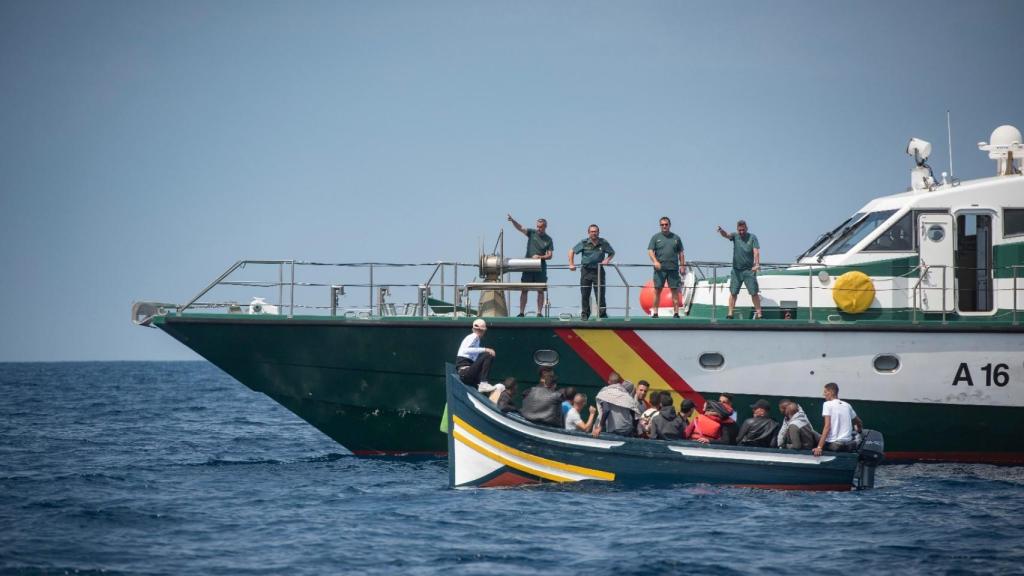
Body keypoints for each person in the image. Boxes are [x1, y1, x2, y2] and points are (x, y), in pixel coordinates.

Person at [508, 214, 553, 317]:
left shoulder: (548, 239)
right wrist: (513, 220)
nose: (538, 228)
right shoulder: (532, 233)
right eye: (537, 226)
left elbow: (550, 256)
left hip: (540, 267)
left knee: (540, 290)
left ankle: (539, 313)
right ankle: (521, 312)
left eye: (541, 227)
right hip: (528, 265)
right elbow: (521, 228)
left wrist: (540, 257)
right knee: (524, 289)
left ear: (545, 227)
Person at [716, 220, 762, 319]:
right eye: (740, 230)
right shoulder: (735, 236)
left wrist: (757, 264)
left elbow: (756, 251)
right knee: (733, 293)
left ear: (747, 228)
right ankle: (730, 313)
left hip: (749, 270)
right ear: (737, 229)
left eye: (743, 230)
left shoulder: (752, 237)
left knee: (754, 293)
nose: (741, 232)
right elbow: (726, 235)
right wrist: (721, 230)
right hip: (736, 270)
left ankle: (759, 314)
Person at [569, 224, 615, 319]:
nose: (594, 233)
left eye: (595, 231)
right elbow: (571, 251)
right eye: (592, 231)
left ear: (598, 232)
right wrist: (571, 264)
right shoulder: (584, 242)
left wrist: (607, 260)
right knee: (585, 293)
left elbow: (612, 252)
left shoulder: (603, 242)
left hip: (598, 271)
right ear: (588, 233)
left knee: (600, 293)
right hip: (586, 271)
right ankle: (585, 314)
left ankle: (602, 314)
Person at [647, 216, 685, 318]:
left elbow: (681, 253)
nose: (664, 226)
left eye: (666, 224)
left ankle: (676, 313)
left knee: (674, 290)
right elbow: (650, 251)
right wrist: (655, 261)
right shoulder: (655, 237)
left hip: (673, 268)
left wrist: (682, 265)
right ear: (660, 226)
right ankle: (655, 313)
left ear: (669, 225)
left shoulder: (676, 238)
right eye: (662, 225)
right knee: (657, 290)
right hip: (660, 269)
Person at [813, 382, 864, 456]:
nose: (823, 394)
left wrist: (819, 447)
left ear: (831, 392)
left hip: (835, 445)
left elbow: (827, 426)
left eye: (825, 392)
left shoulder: (827, 404)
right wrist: (859, 431)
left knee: (813, 434)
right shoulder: (847, 405)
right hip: (848, 445)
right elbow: (859, 422)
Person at [455, 318, 500, 393]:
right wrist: (485, 349)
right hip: (465, 372)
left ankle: (485, 385)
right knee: (488, 355)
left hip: (467, 374)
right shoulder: (474, 336)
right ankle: (484, 383)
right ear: (483, 331)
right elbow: (465, 350)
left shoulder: (476, 339)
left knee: (485, 388)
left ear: (473, 329)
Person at [592, 372, 641, 437]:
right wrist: (634, 430)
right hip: (627, 430)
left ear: (609, 381)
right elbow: (635, 415)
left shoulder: (605, 393)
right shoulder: (627, 396)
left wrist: (600, 427)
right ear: (620, 382)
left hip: (612, 431)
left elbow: (606, 410)